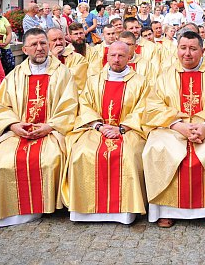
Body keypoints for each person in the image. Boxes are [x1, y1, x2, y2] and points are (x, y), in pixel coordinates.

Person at [142, 31, 205, 231]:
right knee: (157, 148)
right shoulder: (165, 74)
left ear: (202, 51)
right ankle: (166, 210)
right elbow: (152, 106)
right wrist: (177, 124)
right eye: (183, 48)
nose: (187, 53)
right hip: (173, 128)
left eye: (193, 49)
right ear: (176, 49)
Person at [0, 28, 78, 226]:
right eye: (34, 45)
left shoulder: (62, 73)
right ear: (25, 49)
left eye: (43, 43)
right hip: (18, 132)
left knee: (50, 158)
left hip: (50, 132)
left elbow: (71, 106)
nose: (40, 48)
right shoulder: (14, 76)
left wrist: (50, 126)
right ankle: (9, 207)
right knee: (2, 159)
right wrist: (14, 125)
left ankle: (43, 206)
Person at [63, 41, 149, 223]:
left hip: (128, 130)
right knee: (81, 153)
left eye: (121, 56)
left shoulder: (141, 82)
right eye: (113, 55)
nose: (116, 59)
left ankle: (125, 211)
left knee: (127, 154)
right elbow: (84, 105)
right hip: (97, 128)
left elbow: (144, 109)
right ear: (107, 56)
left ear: (129, 58)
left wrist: (121, 128)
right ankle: (84, 210)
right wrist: (99, 126)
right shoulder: (94, 80)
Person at [47, 28, 88, 93]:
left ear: (64, 40)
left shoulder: (78, 58)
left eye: (60, 39)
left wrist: (55, 62)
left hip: (71, 95)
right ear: (47, 42)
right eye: (54, 40)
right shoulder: (43, 59)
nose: (58, 43)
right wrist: (53, 58)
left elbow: (76, 80)